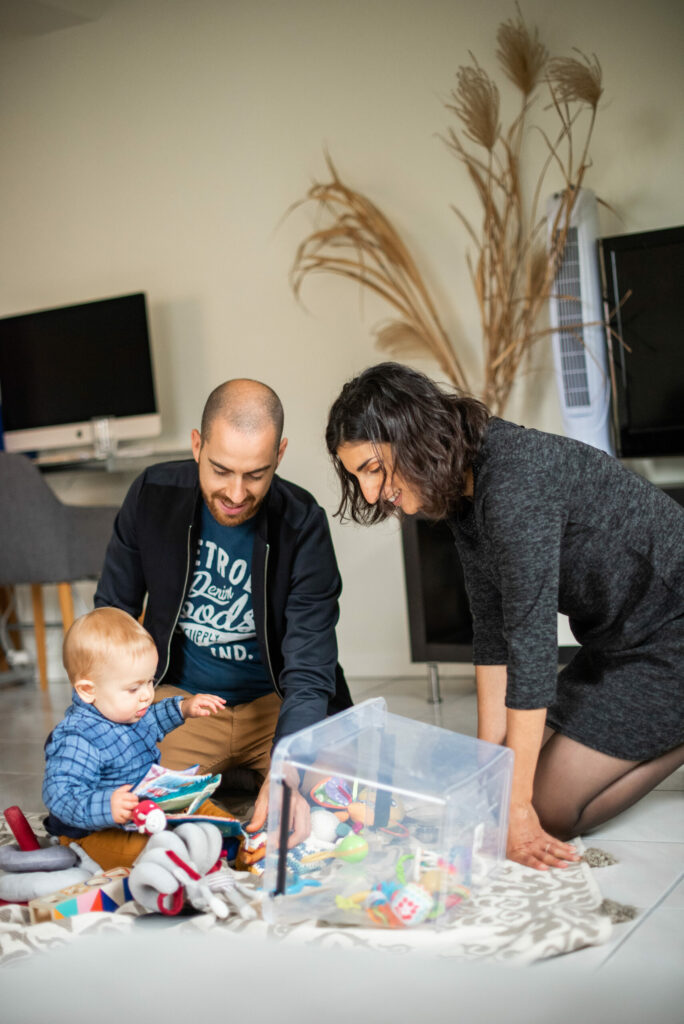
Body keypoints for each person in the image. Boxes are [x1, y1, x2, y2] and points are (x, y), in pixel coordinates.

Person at [326, 361, 684, 871]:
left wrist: (517, 809)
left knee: (547, 810)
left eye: (371, 468)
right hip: (618, 644)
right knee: (509, 782)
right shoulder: (461, 486)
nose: (368, 493)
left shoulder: (515, 479)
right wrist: (487, 771)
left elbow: (531, 648)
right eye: (356, 475)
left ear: (409, 434)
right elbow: (492, 635)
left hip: (672, 633)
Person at [95, 378, 351, 844]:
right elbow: (112, 617)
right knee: (103, 791)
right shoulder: (153, 495)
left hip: (274, 705)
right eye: (220, 470)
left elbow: (310, 671)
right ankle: (235, 775)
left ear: (279, 455)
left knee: (345, 800)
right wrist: (99, 722)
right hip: (182, 703)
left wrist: (288, 769)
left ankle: (244, 773)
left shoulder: (302, 523)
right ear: (197, 445)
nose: (235, 493)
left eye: (255, 475)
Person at [43, 607, 226, 868]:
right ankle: (184, 858)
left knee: (206, 809)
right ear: (88, 690)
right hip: (93, 832)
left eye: (149, 681)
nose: (147, 695)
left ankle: (239, 841)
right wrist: (107, 806)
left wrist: (183, 708)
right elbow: (60, 795)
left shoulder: (126, 712)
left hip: (142, 809)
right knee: (150, 853)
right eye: (133, 688)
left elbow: (153, 719)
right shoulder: (77, 739)